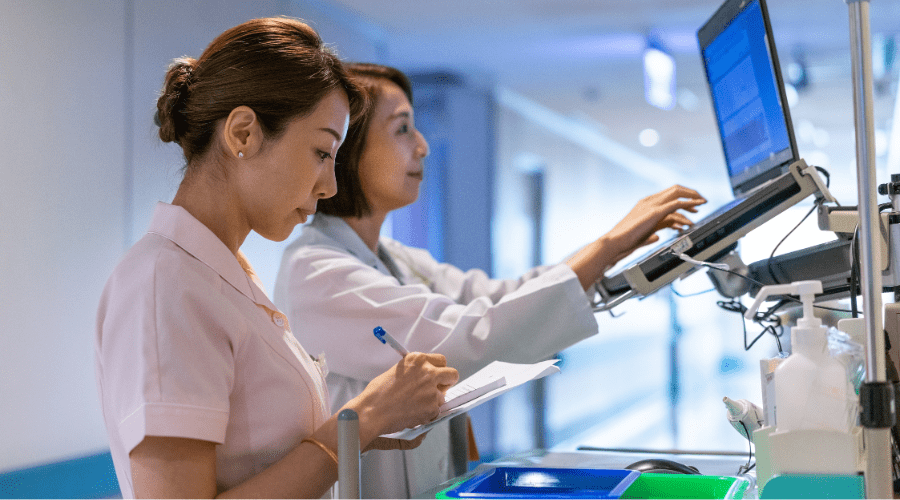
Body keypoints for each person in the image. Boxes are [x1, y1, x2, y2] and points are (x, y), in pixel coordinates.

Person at [273, 63, 707, 498]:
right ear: (347, 148)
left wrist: (610, 251)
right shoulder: (317, 272)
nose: (422, 147)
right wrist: (610, 244)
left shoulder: (396, 259)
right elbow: (472, 336)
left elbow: (499, 298)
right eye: (402, 129)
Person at [95, 22, 458, 499]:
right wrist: (361, 421)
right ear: (243, 133)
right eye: (322, 152)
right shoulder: (167, 285)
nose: (329, 184)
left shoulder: (224, 276)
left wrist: (375, 420)